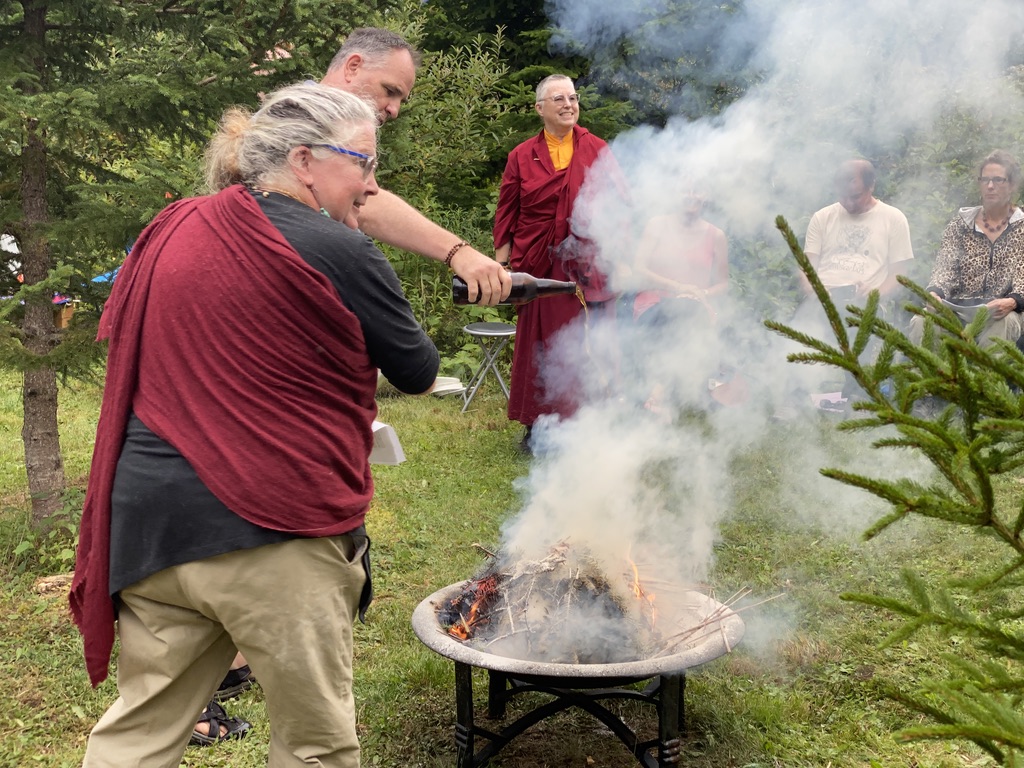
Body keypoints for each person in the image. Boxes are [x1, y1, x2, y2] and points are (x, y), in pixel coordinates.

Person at [70, 83, 440, 767]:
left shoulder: (172, 226)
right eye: (363, 163)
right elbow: (417, 370)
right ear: (304, 160)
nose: (371, 185)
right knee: (315, 746)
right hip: (274, 535)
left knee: (139, 733)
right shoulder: (342, 250)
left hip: (152, 528)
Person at [320, 28, 511, 306]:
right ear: (353, 66)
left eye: (401, 99)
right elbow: (366, 208)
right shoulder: (298, 121)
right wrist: (458, 252)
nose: (394, 110)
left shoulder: (340, 132)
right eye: (390, 91)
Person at [493, 74, 615, 450]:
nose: (568, 104)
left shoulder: (597, 149)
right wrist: (501, 271)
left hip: (585, 266)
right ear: (540, 108)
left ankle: (589, 425)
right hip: (539, 269)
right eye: (558, 98)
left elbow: (620, 207)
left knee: (587, 344)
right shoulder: (521, 155)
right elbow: (507, 214)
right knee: (541, 346)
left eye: (573, 97)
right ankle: (538, 427)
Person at [783, 159, 914, 409]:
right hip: (824, 296)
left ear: (872, 186)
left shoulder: (893, 218)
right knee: (800, 325)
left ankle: (854, 396)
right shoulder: (823, 217)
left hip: (866, 300)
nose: (849, 203)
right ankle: (796, 396)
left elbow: (899, 274)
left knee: (857, 325)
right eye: (844, 197)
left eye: (855, 196)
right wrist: (816, 292)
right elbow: (805, 266)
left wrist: (876, 292)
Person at [909, 149, 1024, 347]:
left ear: (1012, 185)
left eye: (998, 180)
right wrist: (935, 292)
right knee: (922, 321)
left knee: (1004, 323)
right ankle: (931, 376)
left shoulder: (1021, 227)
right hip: (958, 309)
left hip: (1002, 310)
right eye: (985, 179)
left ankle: (988, 377)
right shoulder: (960, 224)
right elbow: (944, 269)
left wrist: (1013, 301)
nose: (990, 186)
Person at [631, 188, 730, 408]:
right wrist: (676, 287)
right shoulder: (656, 225)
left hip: (695, 307)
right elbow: (638, 268)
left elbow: (723, 284)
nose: (692, 196)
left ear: (707, 195)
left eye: (698, 190)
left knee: (686, 313)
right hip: (653, 304)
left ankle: (657, 395)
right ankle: (664, 394)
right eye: (686, 190)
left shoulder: (716, 236)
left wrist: (701, 293)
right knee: (679, 315)